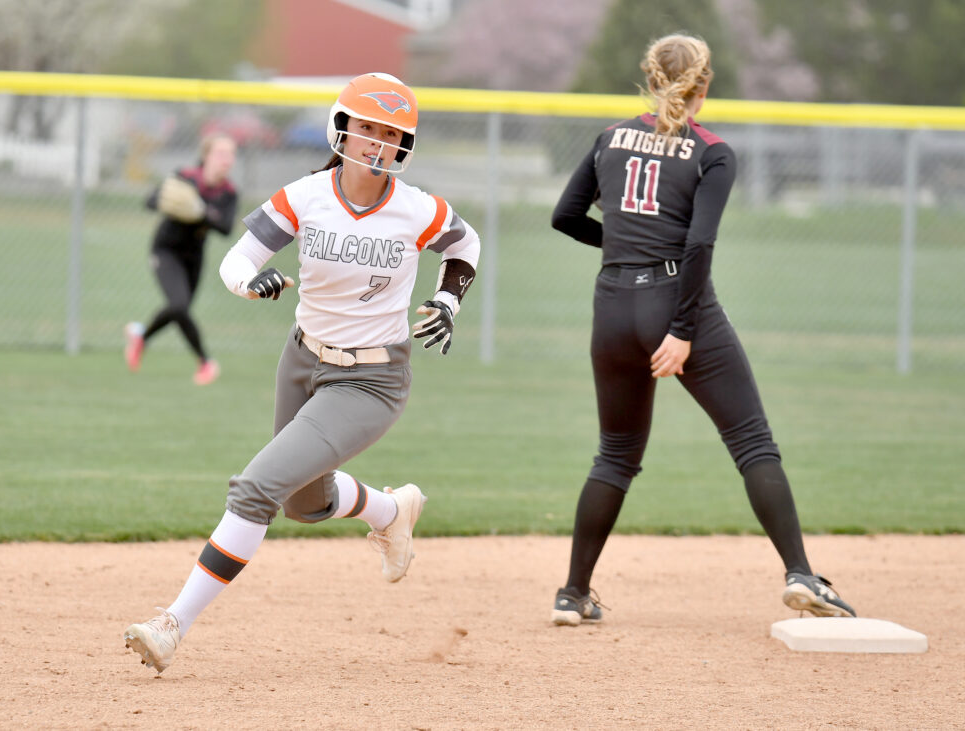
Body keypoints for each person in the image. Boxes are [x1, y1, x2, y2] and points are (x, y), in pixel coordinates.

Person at [123, 72, 481, 673]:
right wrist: (248, 283)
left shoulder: (417, 209)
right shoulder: (305, 196)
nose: (375, 142)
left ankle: (171, 624)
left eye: (389, 134)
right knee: (304, 503)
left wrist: (448, 301)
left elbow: (464, 244)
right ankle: (393, 513)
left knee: (256, 488)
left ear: (403, 146)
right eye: (366, 127)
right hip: (303, 360)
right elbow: (238, 260)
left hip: (371, 380)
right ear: (341, 127)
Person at [548, 34, 855, 626]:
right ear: (703, 86)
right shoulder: (712, 151)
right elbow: (699, 244)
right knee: (751, 443)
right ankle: (800, 573)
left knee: (614, 456)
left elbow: (565, 217)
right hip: (674, 302)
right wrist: (683, 327)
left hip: (611, 303)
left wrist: (622, 249)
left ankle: (572, 593)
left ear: (649, 77)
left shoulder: (610, 138)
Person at [124, 134, 239, 385]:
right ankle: (206, 361)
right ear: (206, 156)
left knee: (180, 309)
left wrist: (201, 211)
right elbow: (151, 201)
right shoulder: (186, 177)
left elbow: (226, 227)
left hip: (194, 256)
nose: (227, 159)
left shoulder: (228, 192)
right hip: (166, 250)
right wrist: (176, 203)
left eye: (231, 154)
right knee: (178, 306)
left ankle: (140, 336)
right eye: (221, 153)